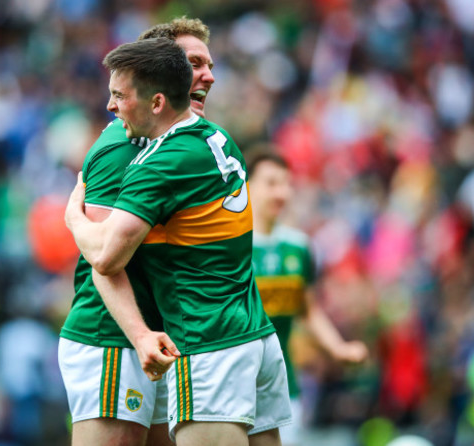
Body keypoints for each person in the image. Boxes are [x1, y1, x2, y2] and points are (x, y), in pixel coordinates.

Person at [66, 37, 291, 446]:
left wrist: (72, 218)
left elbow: (104, 255)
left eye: (119, 95)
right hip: (235, 333)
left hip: (205, 339)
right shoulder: (215, 137)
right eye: (193, 64)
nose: (111, 107)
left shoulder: (162, 160)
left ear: (157, 99)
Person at [58, 18, 215, 446]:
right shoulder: (121, 147)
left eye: (208, 64)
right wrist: (140, 335)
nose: (207, 75)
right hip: (113, 339)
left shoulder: (176, 144)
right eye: (194, 62)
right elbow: (103, 258)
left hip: (156, 341)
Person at [247, 152, 369, 446]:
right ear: (246, 185)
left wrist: (338, 348)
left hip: (283, 385)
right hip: (233, 382)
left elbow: (308, 310)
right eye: (271, 183)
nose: (282, 192)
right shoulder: (228, 247)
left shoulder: (299, 247)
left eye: (287, 184)